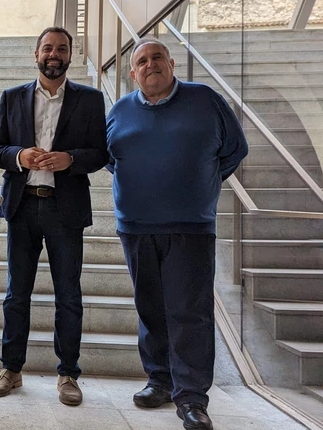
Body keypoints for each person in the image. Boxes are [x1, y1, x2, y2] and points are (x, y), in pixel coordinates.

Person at [106, 37, 247, 430]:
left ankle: (191, 398)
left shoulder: (205, 100)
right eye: (141, 62)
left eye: (156, 58)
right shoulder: (119, 110)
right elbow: (112, 161)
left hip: (190, 226)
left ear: (171, 63)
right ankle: (159, 381)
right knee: (150, 308)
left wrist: (199, 183)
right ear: (132, 73)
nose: (150, 65)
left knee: (190, 313)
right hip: (135, 226)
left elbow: (235, 150)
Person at [0, 26, 109, 405]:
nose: (53, 54)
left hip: (65, 208)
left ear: (70, 55)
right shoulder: (11, 98)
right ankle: (11, 369)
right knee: (15, 294)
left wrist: (70, 160)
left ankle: (68, 374)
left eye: (61, 49)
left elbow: (101, 153)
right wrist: (19, 157)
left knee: (69, 295)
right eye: (47, 48)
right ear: (35, 54)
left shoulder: (90, 100)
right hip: (23, 206)